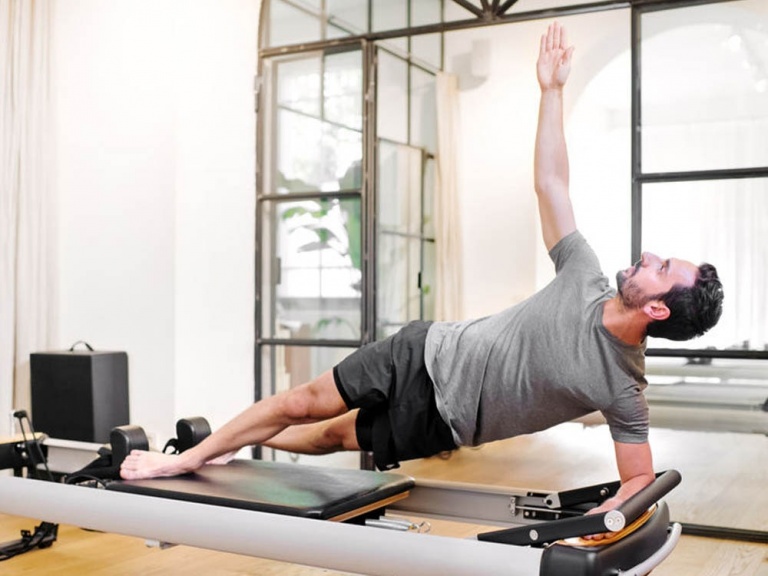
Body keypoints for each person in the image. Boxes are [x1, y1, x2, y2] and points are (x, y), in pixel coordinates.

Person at [121, 23, 723, 520]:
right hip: (426, 351)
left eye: (662, 267)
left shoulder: (623, 388)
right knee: (307, 402)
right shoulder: (583, 273)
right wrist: (551, 92)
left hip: (442, 422)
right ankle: (189, 457)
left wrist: (601, 523)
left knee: (333, 437)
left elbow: (638, 479)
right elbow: (551, 182)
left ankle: (226, 444)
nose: (648, 256)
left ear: (658, 309)